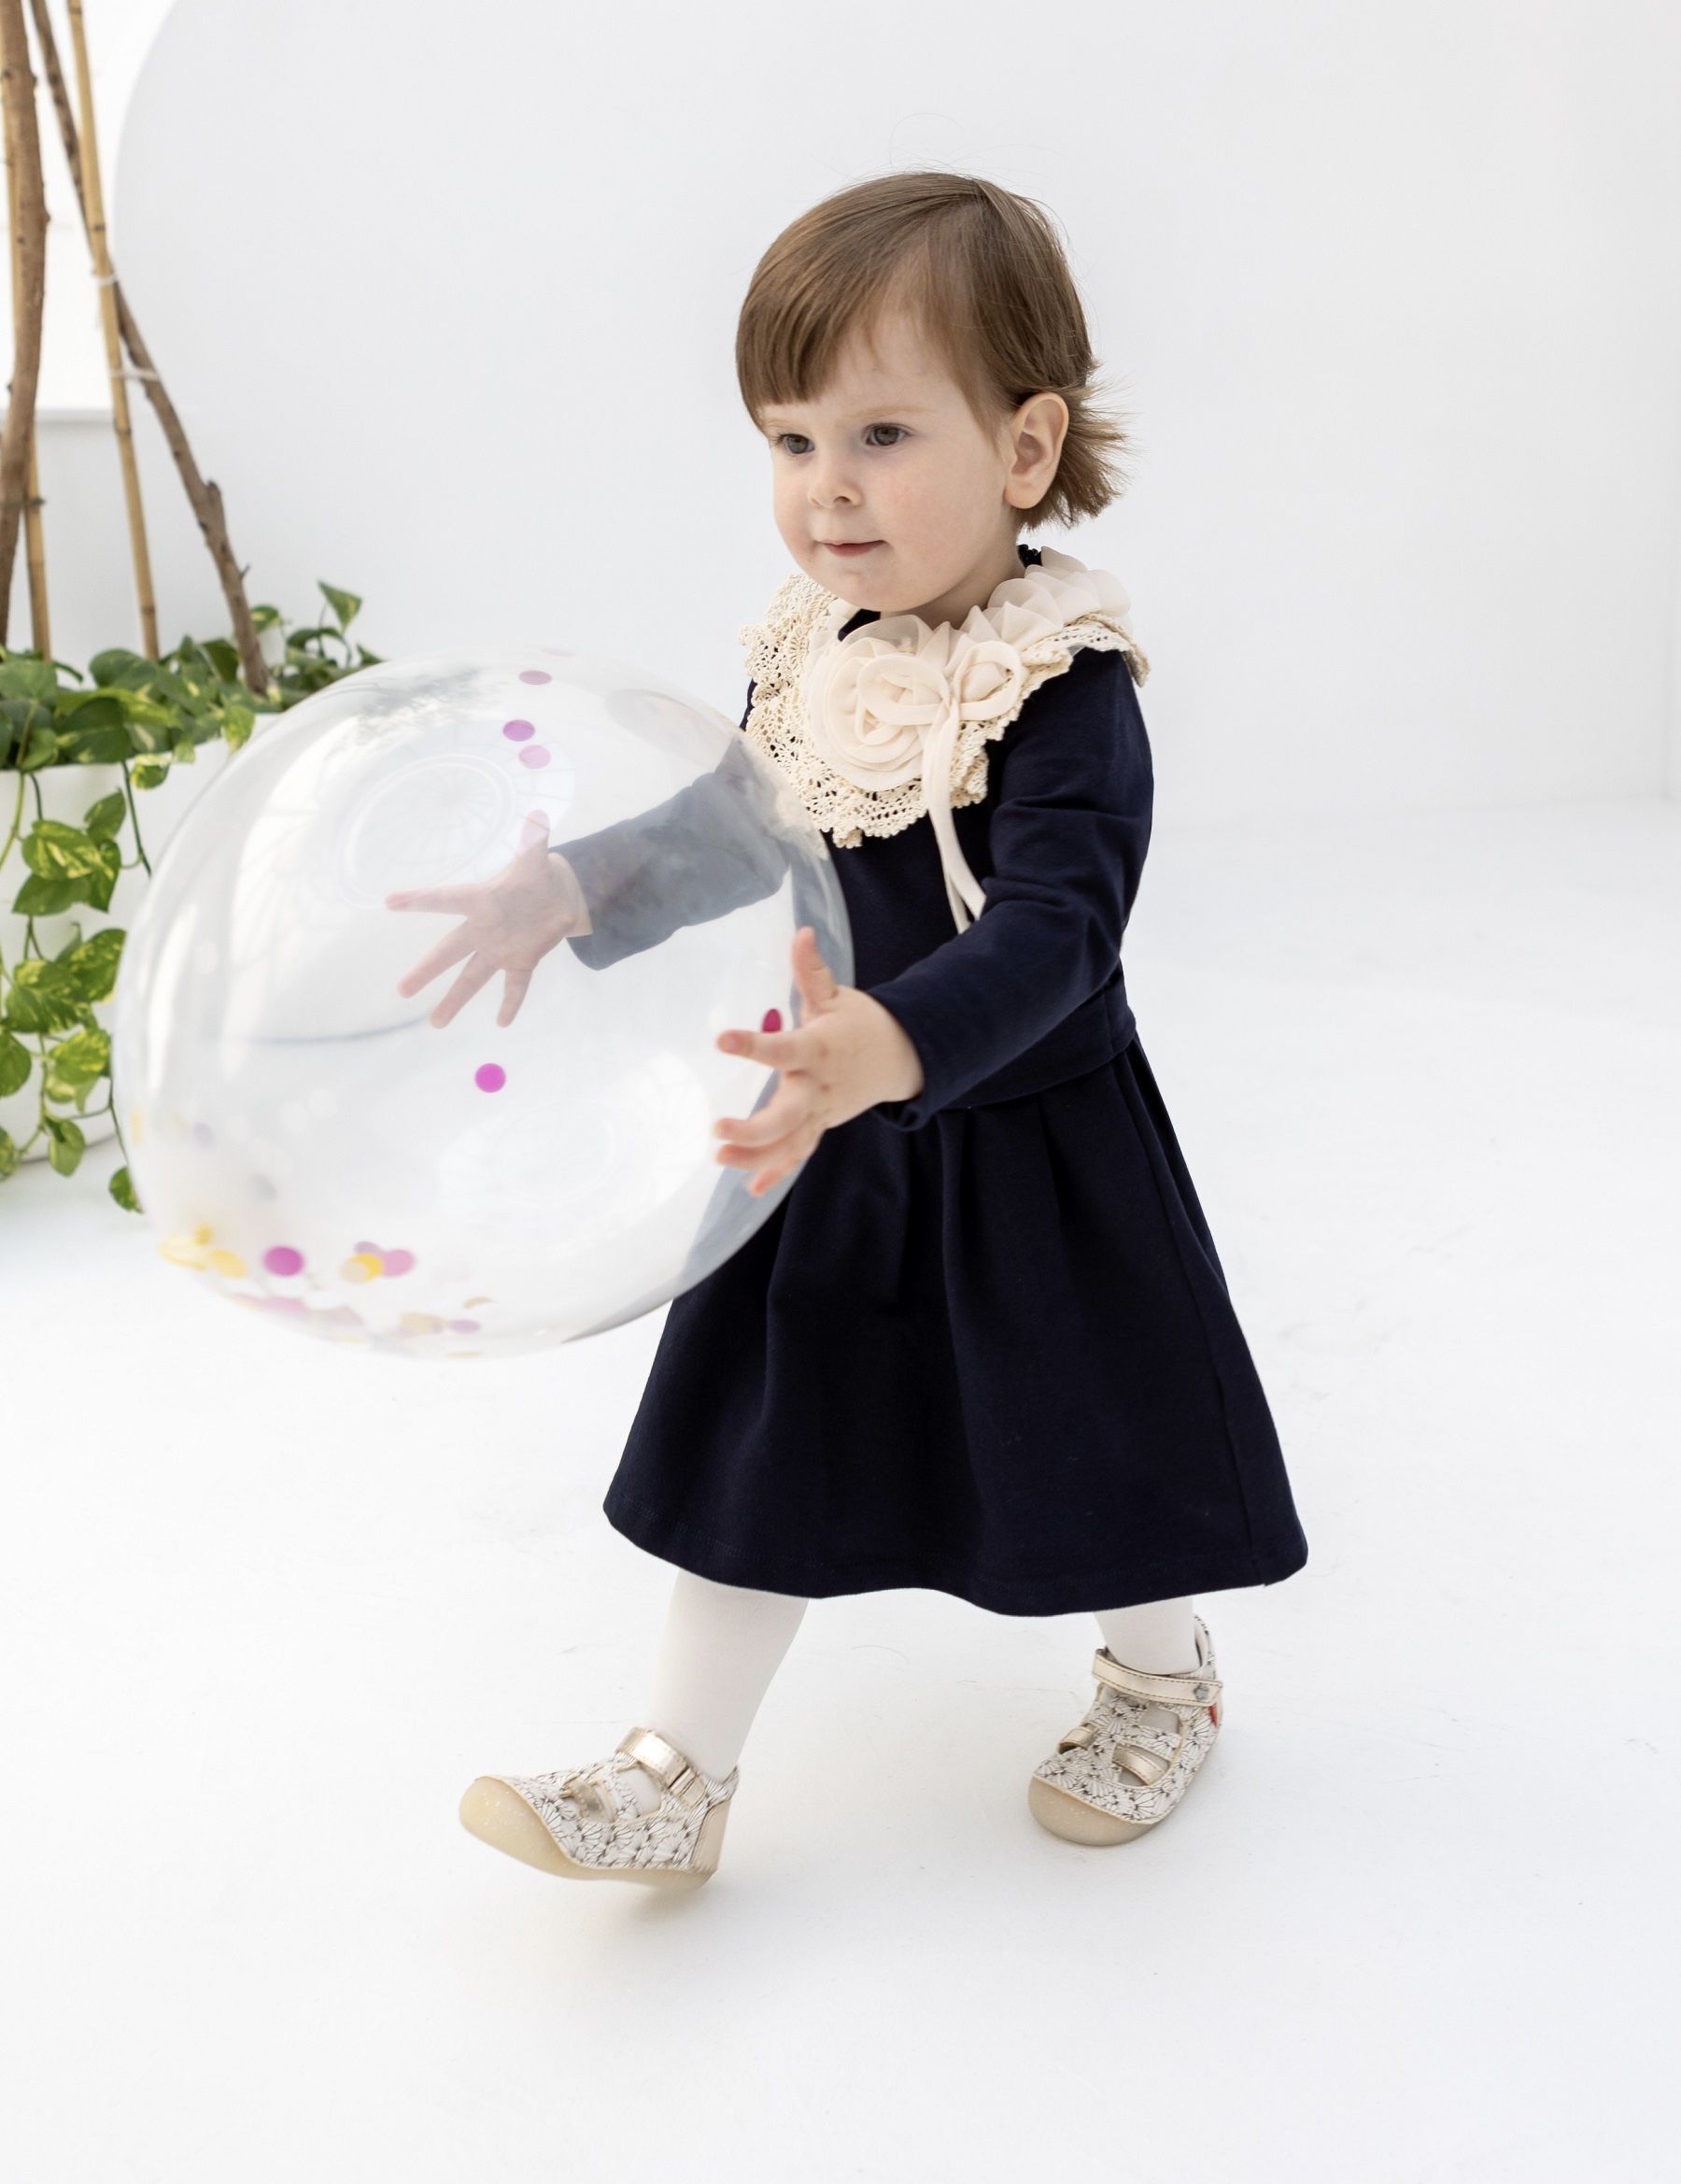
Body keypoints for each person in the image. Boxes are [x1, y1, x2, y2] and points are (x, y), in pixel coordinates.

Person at [395, 171, 1309, 1888]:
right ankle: (676, 1772)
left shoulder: (1063, 686)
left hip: (1025, 1140)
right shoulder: (810, 652)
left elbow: (1058, 928)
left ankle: (1160, 1675)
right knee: (770, 1430)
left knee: (1090, 1430)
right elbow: (737, 824)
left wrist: (897, 1040)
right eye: (791, 439)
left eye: (883, 434)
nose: (828, 487)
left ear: (1025, 448)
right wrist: (573, 888)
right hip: (829, 1131)